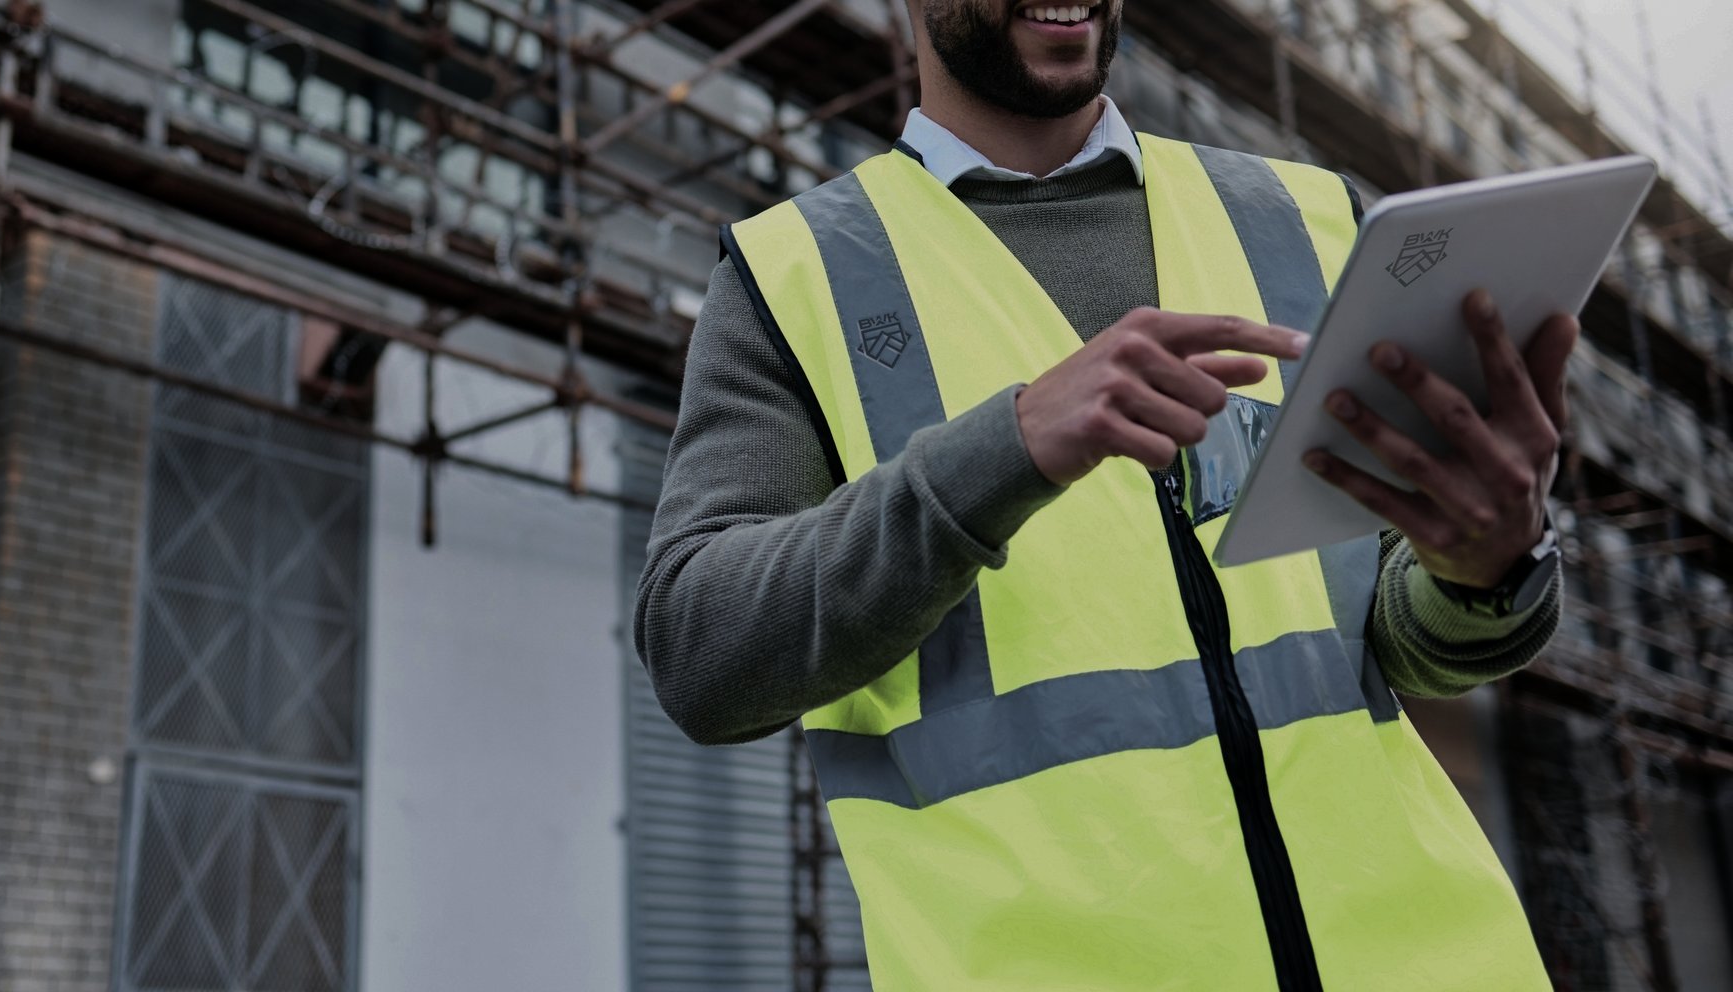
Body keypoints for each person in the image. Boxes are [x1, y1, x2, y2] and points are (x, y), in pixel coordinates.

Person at [634, 1, 1570, 988]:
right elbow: (702, 655)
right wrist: (1009, 447)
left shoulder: (1309, 217)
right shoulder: (798, 276)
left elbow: (1392, 644)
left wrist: (1481, 571)